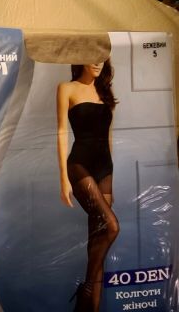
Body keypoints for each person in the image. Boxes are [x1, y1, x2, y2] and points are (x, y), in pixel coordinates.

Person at [56, 61, 120, 312]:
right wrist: (63, 178)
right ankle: (86, 288)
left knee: (97, 242)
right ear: (80, 57)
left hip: (105, 168)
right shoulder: (66, 88)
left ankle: (89, 307)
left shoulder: (105, 91)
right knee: (112, 226)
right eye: (92, 56)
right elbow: (61, 132)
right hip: (79, 165)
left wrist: (110, 173)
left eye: (102, 57)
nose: (97, 62)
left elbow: (109, 136)